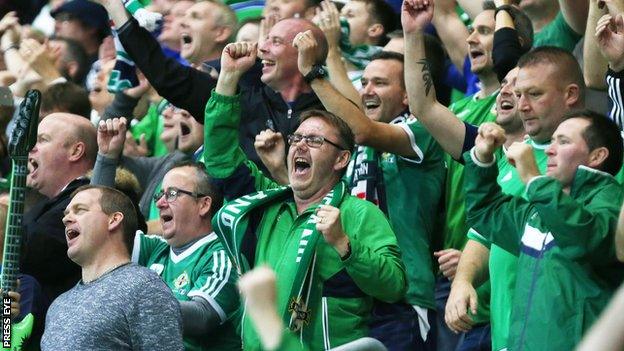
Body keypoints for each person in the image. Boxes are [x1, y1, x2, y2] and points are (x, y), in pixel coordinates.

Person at [205, 41, 406, 350]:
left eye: (313, 140)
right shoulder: (266, 205)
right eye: (296, 138)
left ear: (341, 159)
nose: (299, 146)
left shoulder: (358, 213)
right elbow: (220, 160)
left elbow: (393, 285)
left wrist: (344, 244)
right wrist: (228, 77)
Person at [285, 31, 443, 349]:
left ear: (408, 95)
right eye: (365, 82)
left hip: (404, 297)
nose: (367, 90)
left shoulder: (421, 131)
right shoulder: (356, 145)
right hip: (356, 292)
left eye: (380, 83)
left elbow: (361, 128)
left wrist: (313, 74)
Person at [94, 0, 326, 169]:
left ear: (305, 52)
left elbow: (361, 132)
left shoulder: (328, 109)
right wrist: (115, 7)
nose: (261, 48)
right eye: (264, 40)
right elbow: (166, 76)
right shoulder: (242, 100)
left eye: (275, 42)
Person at [464, 110, 624, 350]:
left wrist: (534, 180)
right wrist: (483, 158)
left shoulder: (613, 204)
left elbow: (586, 239)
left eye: (563, 142)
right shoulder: (540, 213)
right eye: (552, 141)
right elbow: (485, 212)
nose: (549, 149)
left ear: (597, 156)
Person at [41, 185, 184, 350]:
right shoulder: (58, 305)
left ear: (114, 220)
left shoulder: (144, 288)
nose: (66, 220)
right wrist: (7, 317)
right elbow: (6, 342)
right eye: (66, 214)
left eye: (80, 210)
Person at [22, 112, 97, 301]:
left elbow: (33, 251)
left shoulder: (85, 205)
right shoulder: (51, 201)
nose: (30, 148)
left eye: (42, 140)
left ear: (75, 151)